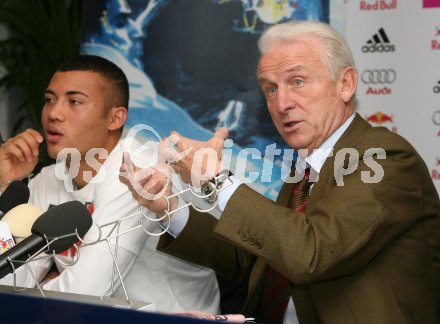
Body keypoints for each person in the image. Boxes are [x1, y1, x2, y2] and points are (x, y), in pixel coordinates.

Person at [120, 21, 440, 323]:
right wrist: (169, 208)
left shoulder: (384, 158)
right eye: (270, 89)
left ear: (345, 84)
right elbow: (258, 258)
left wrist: (216, 180)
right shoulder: (306, 169)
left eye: (297, 82)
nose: (281, 102)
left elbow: (310, 253)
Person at [0, 55, 220, 314]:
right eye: (49, 100)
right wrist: (6, 187)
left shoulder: (138, 171)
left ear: (115, 118)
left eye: (74, 102)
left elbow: (82, 294)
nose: (54, 113)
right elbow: (9, 279)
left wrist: (37, 292)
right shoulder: (48, 178)